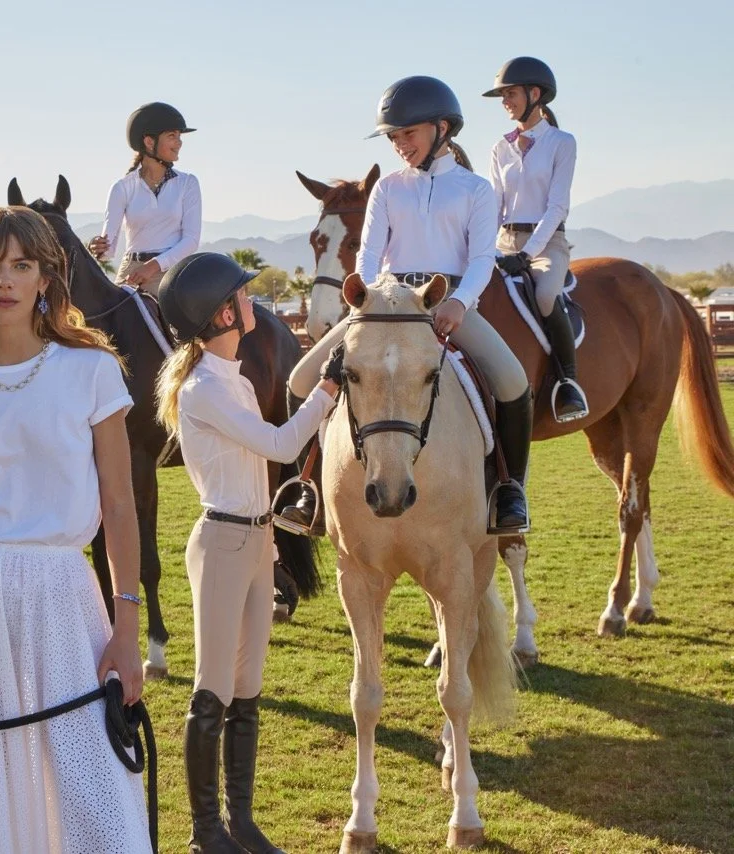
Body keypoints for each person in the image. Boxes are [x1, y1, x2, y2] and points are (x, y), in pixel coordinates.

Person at [0, 206, 151, 852]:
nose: (5, 280)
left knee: (96, 795)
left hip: (66, 596)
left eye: (21, 265)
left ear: (47, 279)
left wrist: (127, 629)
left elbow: (121, 508)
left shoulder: (91, 371)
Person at [284, 76, 533, 535]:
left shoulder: (475, 189)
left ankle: (509, 490)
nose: (400, 144)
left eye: (408, 134)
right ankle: (309, 489)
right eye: (394, 137)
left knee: (514, 383)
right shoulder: (387, 189)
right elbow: (368, 254)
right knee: (300, 381)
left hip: (448, 304)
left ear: (442, 128)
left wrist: (459, 303)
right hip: (386, 303)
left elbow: (482, 258)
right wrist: (373, 294)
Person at [156, 252, 340, 853]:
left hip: (258, 539)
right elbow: (283, 441)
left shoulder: (230, 377)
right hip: (225, 541)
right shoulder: (206, 388)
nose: (250, 303)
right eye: (241, 297)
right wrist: (326, 392)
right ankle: (206, 831)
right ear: (222, 315)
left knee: (248, 686)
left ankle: (241, 821)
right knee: (212, 688)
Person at [485, 56, 589, 422]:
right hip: (504, 241)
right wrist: (486, 247)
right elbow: (495, 205)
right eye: (503, 96)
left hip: (547, 245)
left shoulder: (562, 142)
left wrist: (527, 254)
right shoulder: (500, 148)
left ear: (534, 93)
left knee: (545, 294)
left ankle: (568, 383)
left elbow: (558, 206)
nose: (505, 102)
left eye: (510, 94)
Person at [88, 101, 202, 297]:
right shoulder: (121, 188)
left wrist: (152, 267)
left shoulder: (188, 184)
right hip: (132, 271)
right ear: (149, 142)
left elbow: (191, 240)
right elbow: (108, 251)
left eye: (179, 136)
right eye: (172, 136)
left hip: (171, 273)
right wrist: (97, 246)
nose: (179, 142)